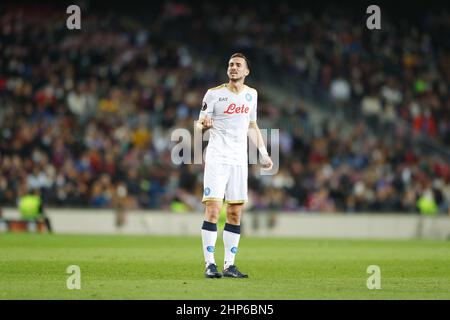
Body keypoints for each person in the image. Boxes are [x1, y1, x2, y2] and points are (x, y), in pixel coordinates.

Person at [195, 53, 273, 278]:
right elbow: (199, 126)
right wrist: (205, 126)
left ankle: (229, 265)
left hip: (239, 161)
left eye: (238, 65)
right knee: (213, 210)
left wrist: (264, 153)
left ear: (246, 71)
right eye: (230, 64)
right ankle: (210, 264)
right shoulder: (214, 94)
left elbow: (252, 125)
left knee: (235, 213)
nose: (233, 68)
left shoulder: (252, 95)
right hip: (217, 158)